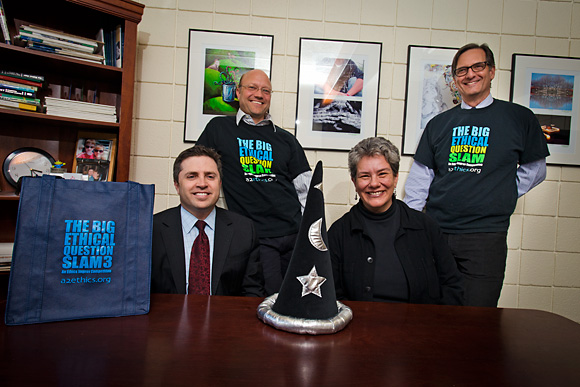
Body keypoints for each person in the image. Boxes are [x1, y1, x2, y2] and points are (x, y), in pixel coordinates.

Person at [404, 43, 550, 307]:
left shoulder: (518, 117)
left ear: (491, 71)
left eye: (477, 66)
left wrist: (501, 190)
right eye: (462, 70)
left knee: (477, 319)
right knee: (430, 313)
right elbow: (420, 179)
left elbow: (536, 169)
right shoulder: (438, 124)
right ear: (455, 78)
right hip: (436, 233)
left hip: (485, 238)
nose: (470, 74)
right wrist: (412, 228)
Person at [197, 69, 312, 296]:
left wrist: (309, 235)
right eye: (252, 88)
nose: (259, 94)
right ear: (238, 92)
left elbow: (306, 191)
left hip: (294, 235)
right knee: (268, 302)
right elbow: (196, 169)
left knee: (298, 299)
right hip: (257, 238)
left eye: (265, 90)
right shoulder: (219, 129)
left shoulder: (286, 139)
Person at [328, 137, 463, 305]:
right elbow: (332, 295)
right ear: (354, 182)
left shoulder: (426, 227)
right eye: (365, 176)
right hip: (359, 326)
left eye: (382, 174)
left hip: (420, 326)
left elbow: (452, 285)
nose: (374, 183)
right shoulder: (338, 233)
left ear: (396, 177)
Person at [151, 145, 265, 297]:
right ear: (177, 186)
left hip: (225, 319)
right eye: (192, 176)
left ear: (219, 183)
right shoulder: (152, 229)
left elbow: (253, 293)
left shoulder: (244, 230)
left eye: (210, 176)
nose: (202, 183)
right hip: (168, 319)